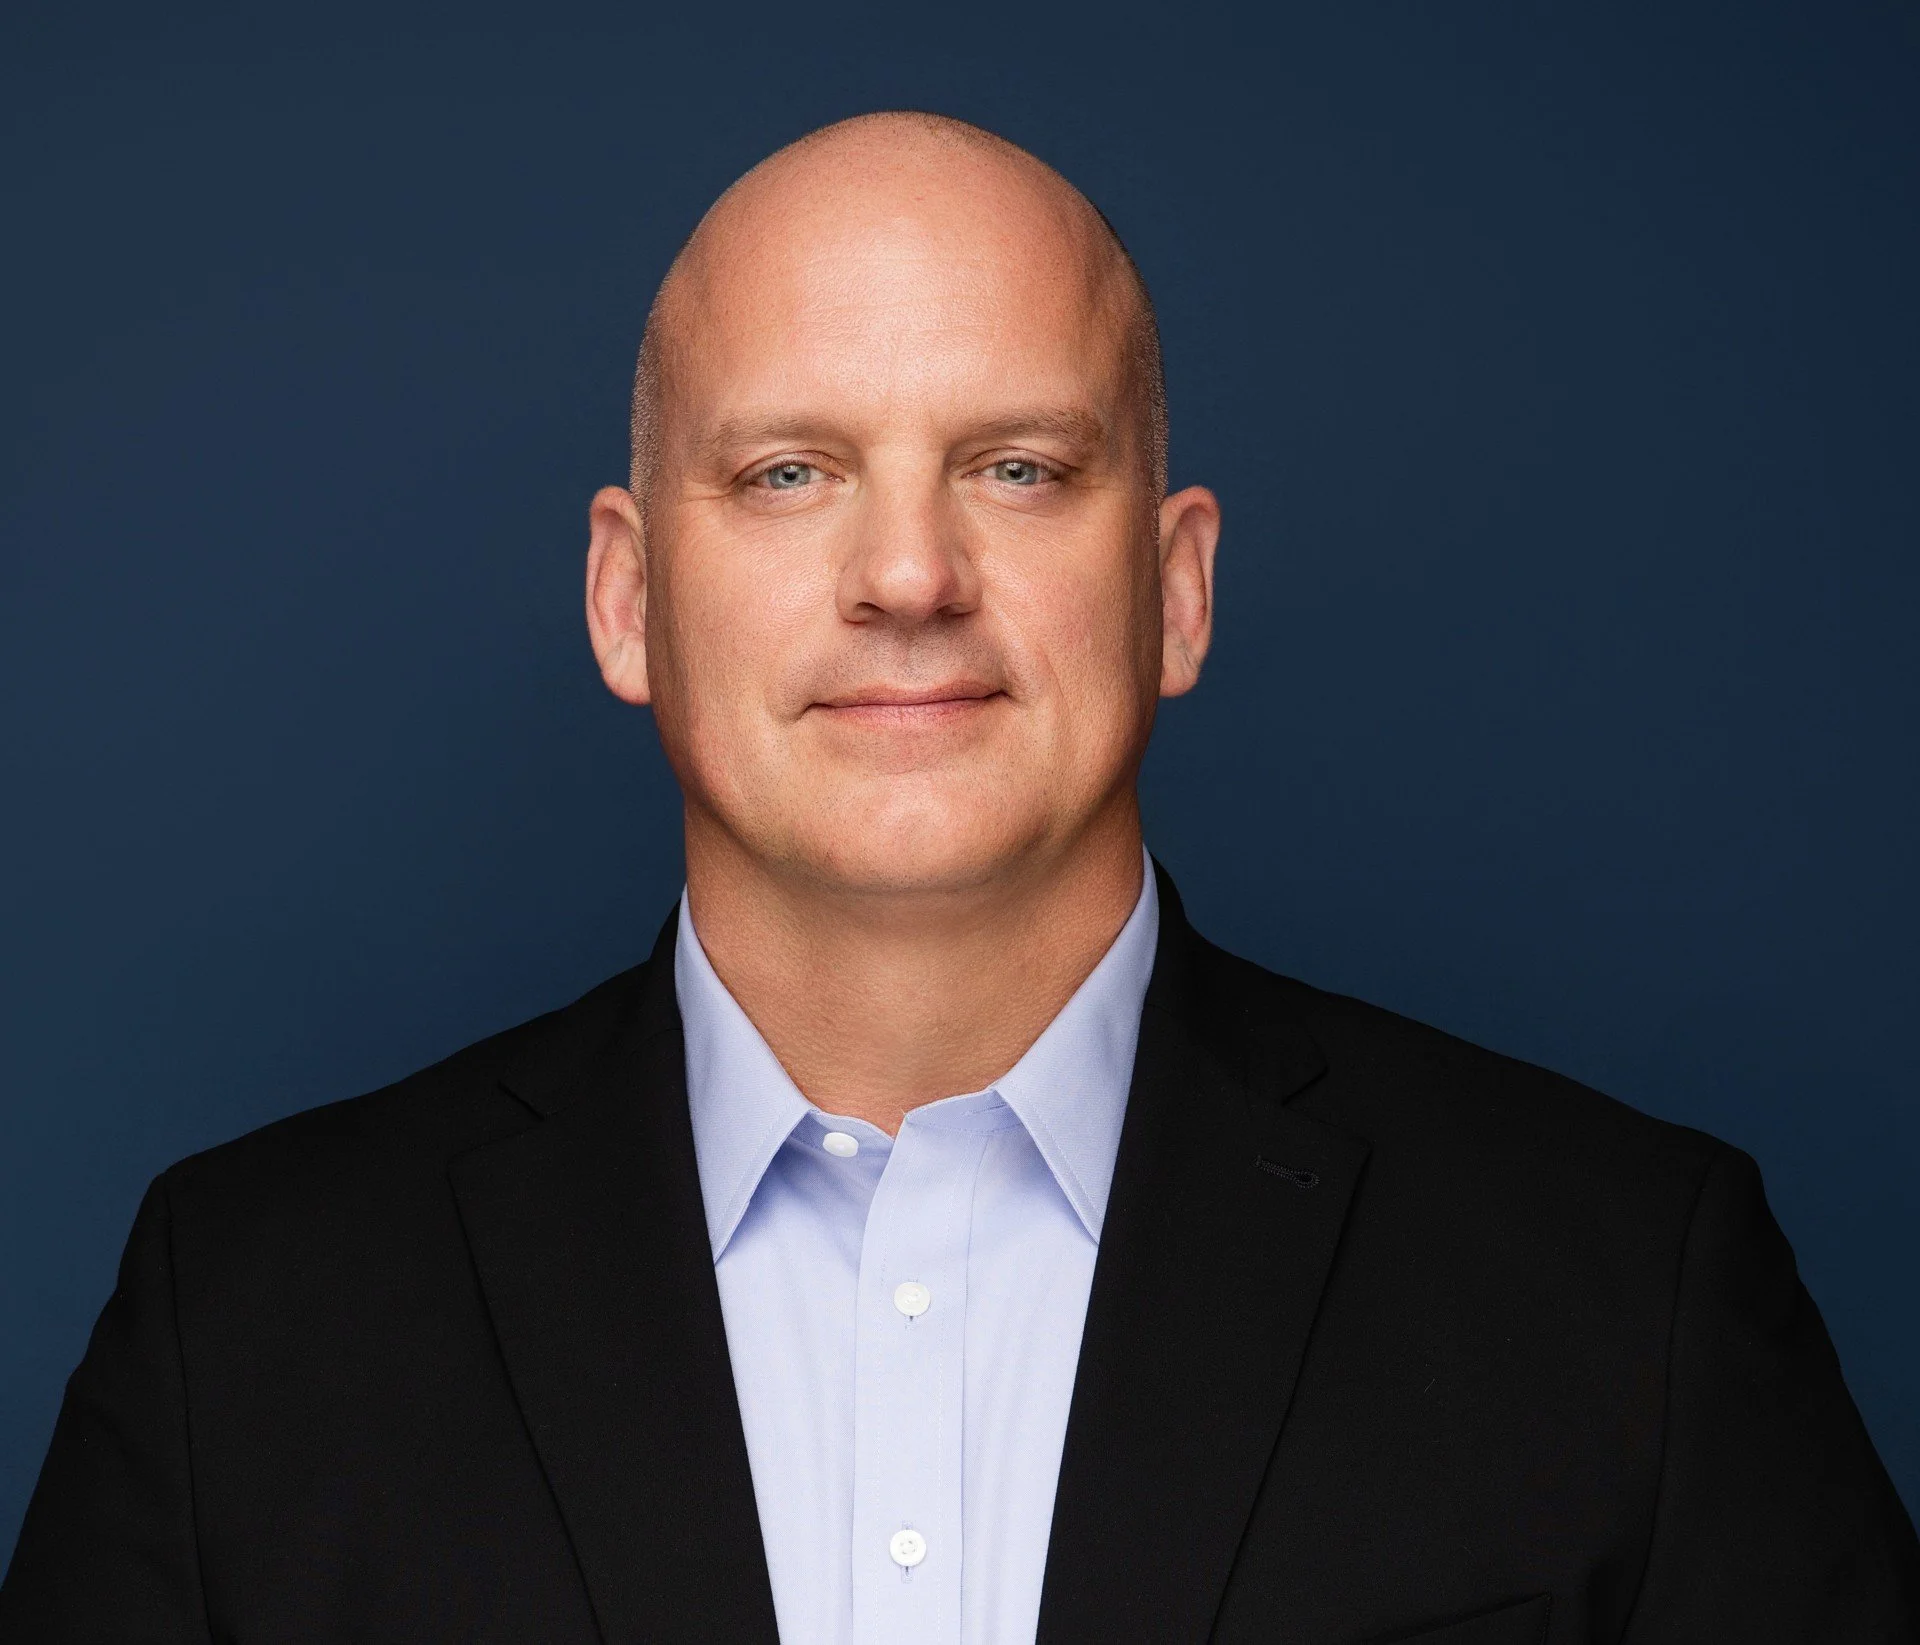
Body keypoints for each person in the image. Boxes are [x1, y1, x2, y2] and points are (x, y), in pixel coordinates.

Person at [2, 110, 1914, 1645]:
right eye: (787, 473)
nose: (908, 576)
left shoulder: (1630, 1293)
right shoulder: (240, 1330)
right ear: (626, 595)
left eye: (1018, 467)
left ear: (1176, 587)